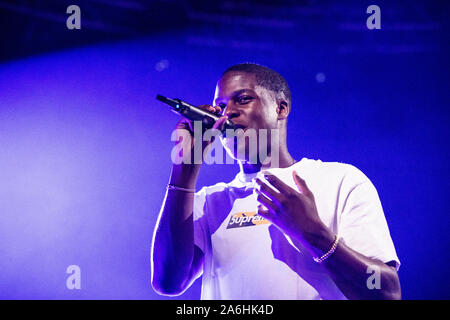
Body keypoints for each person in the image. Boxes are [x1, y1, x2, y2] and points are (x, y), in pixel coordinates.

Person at [151, 63, 401, 300]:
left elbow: (387, 293)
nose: (229, 112)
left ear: (280, 108)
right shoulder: (208, 202)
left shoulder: (341, 181)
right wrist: (184, 170)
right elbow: (168, 283)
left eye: (243, 99)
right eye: (221, 106)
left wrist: (314, 233)